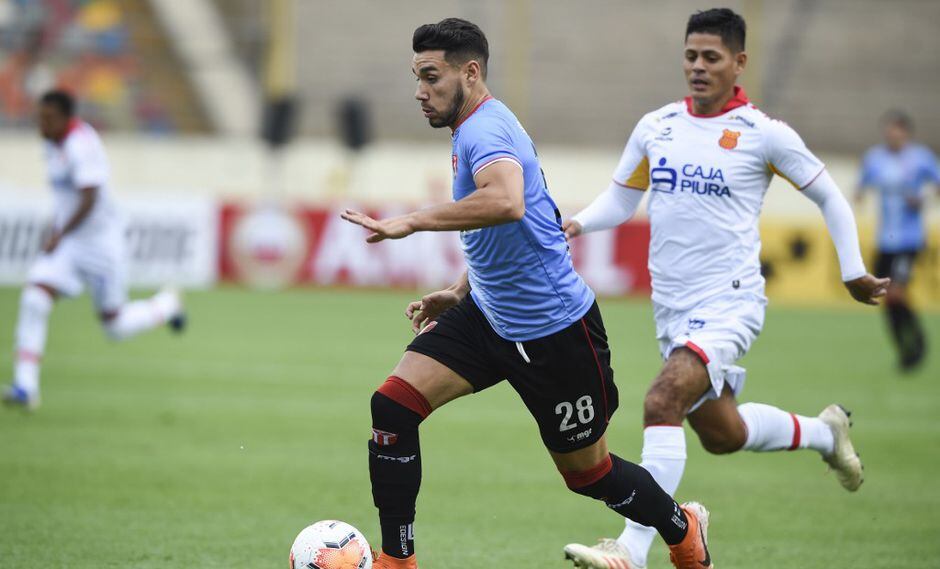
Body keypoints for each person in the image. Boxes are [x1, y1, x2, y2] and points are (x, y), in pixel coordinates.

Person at [339, 18, 713, 569]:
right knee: (393, 407)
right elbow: (529, 221)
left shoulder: (485, 131)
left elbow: (508, 202)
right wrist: (462, 288)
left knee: (590, 475)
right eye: (417, 76)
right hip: (488, 316)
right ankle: (397, 560)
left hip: (554, 332)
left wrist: (411, 221)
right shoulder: (473, 127)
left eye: (431, 76)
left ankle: (683, 528)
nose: (420, 90)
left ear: (470, 73)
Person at [561, 9, 887, 569]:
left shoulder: (764, 134)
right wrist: (578, 223)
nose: (698, 66)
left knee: (662, 401)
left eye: (711, 57)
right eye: (691, 55)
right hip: (672, 309)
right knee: (722, 432)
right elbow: (621, 199)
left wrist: (853, 269)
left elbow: (830, 196)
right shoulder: (657, 126)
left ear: (739, 63)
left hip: (731, 301)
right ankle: (825, 433)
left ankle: (632, 548)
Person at [3, 89, 185, 411]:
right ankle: (25, 387)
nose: (41, 124)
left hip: (100, 244)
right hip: (70, 242)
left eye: (48, 118)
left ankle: (166, 305)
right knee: (34, 298)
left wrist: (59, 233)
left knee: (114, 325)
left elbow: (90, 197)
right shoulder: (53, 142)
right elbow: (66, 198)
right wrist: (60, 232)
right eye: (39, 117)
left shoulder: (81, 145)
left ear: (66, 118)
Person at [856, 110, 940, 371]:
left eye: (896, 130)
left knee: (896, 294)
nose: (892, 134)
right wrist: (858, 196)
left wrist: (923, 199)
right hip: (885, 240)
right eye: (888, 130)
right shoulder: (875, 158)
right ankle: (905, 350)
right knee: (884, 297)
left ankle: (919, 340)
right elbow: (860, 188)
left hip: (909, 240)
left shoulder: (921, 158)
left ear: (906, 133)